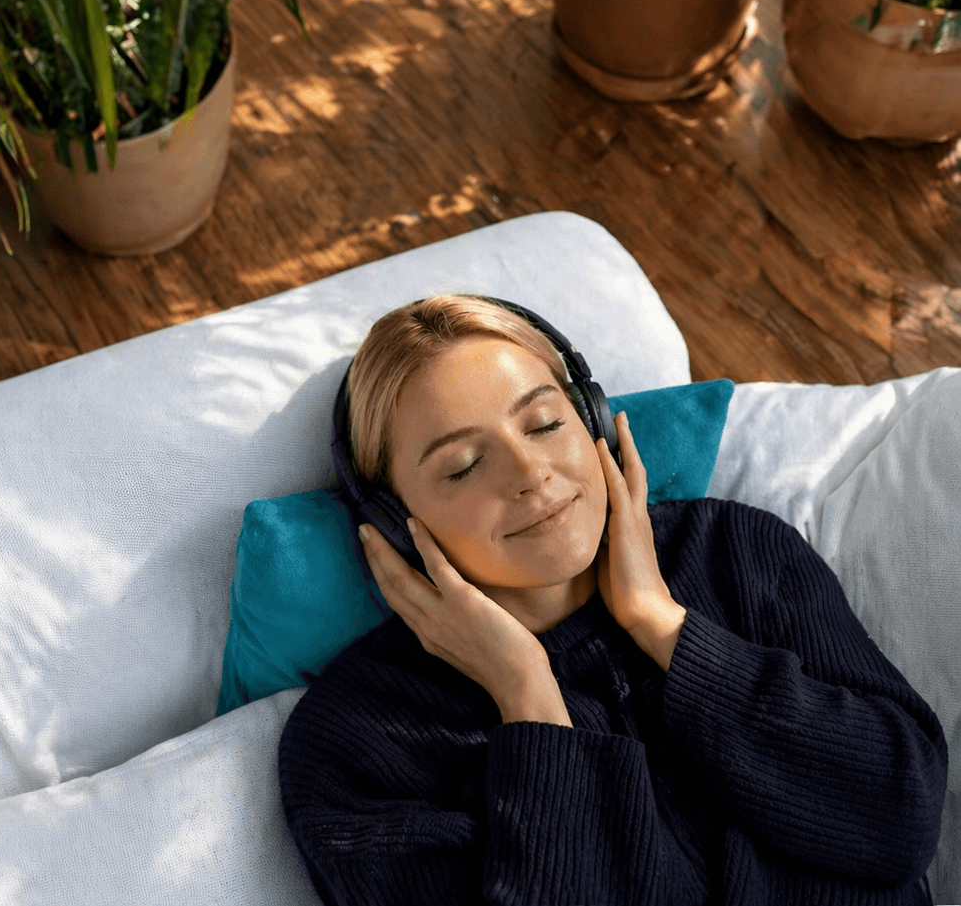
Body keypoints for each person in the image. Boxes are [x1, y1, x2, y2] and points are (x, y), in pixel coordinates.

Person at [278, 296, 947, 905]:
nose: (529, 471)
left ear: (591, 416)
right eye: (462, 464)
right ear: (395, 521)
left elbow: (902, 817)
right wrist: (528, 699)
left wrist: (664, 626)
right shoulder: (356, 739)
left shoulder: (730, 551)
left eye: (542, 423)